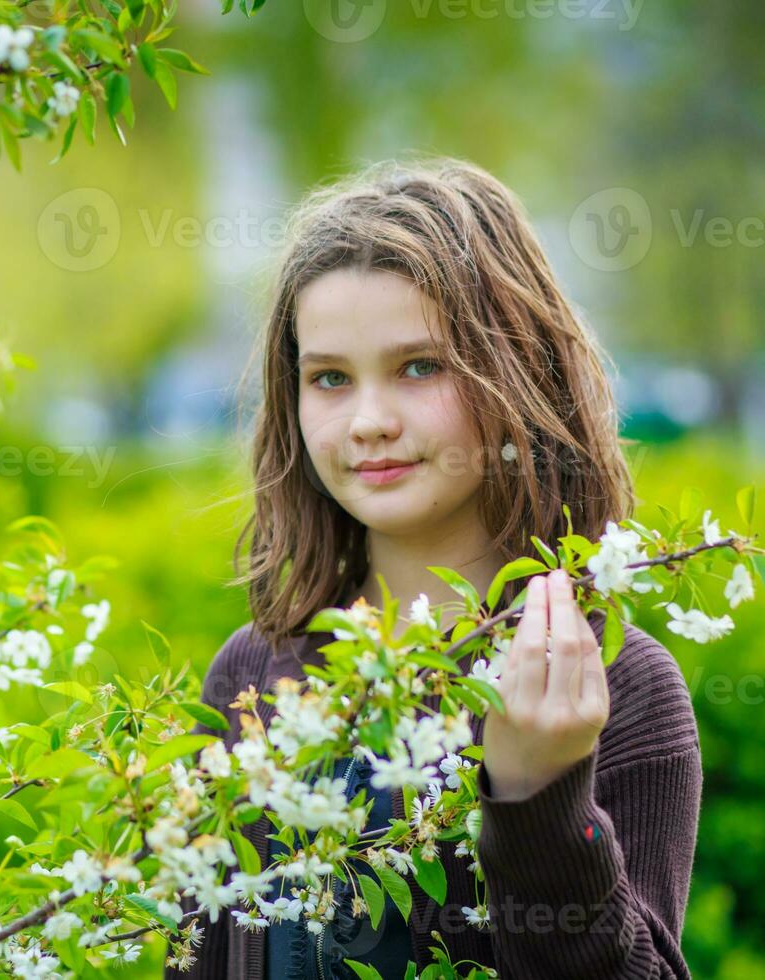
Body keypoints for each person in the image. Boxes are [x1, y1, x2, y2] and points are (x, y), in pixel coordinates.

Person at [162, 158, 701, 979]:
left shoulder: (611, 683)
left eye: (420, 366)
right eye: (330, 378)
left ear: (519, 373)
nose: (370, 420)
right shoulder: (251, 672)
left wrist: (540, 801)